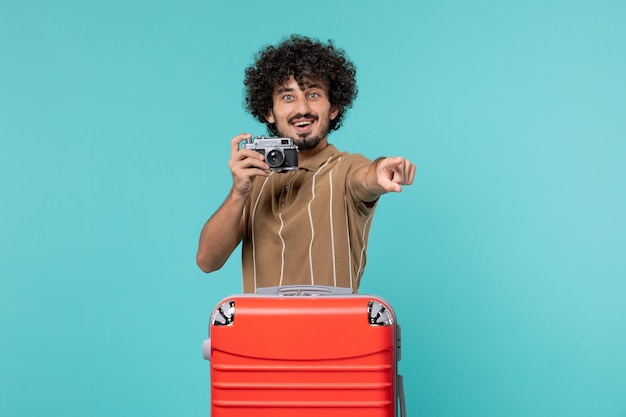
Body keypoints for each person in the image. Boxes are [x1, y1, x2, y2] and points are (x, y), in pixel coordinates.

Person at [196, 35, 416, 293]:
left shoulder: (345, 169)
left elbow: (365, 177)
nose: (302, 108)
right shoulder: (255, 178)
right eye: (288, 97)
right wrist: (238, 192)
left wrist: (380, 170)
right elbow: (207, 261)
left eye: (313, 94)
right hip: (262, 332)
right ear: (269, 111)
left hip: (332, 331)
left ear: (333, 107)